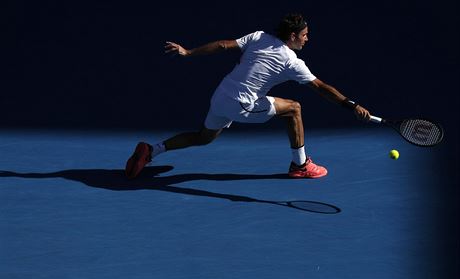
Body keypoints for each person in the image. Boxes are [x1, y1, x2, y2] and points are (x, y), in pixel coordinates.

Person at [125, 12, 371, 179]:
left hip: (220, 95)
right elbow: (321, 88)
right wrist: (352, 105)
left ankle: (151, 150)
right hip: (241, 104)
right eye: (304, 34)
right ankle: (300, 165)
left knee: (203, 137)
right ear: (293, 36)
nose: (307, 38)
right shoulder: (292, 62)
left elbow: (223, 45)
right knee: (294, 108)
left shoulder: (259, 36)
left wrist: (188, 53)